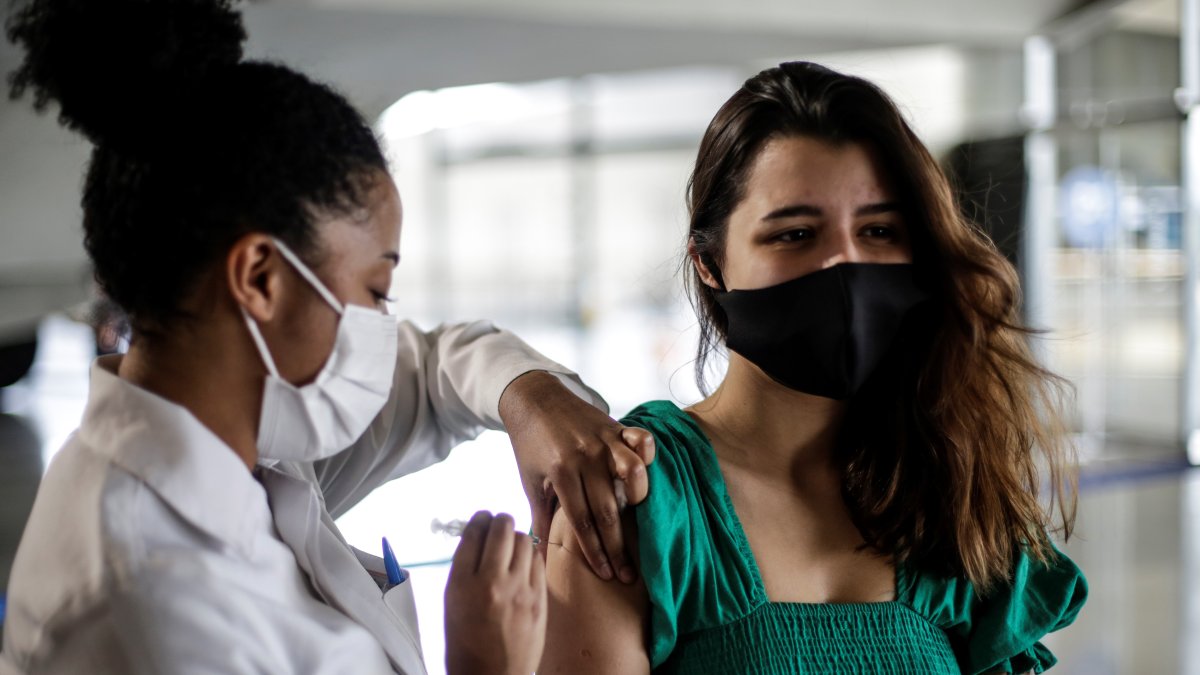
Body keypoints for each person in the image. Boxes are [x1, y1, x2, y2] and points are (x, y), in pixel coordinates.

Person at [0, 1, 654, 673]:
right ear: (259, 278)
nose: (383, 323)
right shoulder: (150, 609)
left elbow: (435, 371)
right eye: (374, 292)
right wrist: (485, 663)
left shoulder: (253, 452)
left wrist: (532, 398)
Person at [539, 62, 1088, 675]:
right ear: (709, 263)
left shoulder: (953, 488)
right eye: (795, 234)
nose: (843, 267)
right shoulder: (639, 500)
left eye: (879, 230)